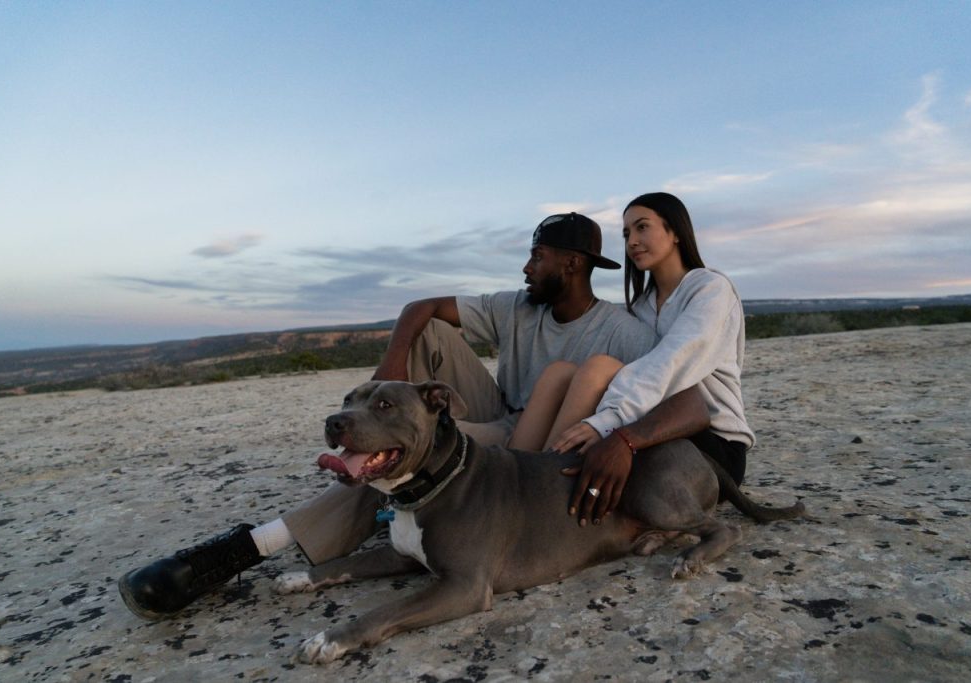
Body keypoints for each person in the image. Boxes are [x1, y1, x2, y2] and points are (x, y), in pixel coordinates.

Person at [118, 211, 711, 620]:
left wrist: (629, 442)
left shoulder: (621, 330)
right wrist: (390, 380)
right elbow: (419, 304)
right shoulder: (516, 307)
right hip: (497, 421)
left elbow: (689, 399)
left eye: (537, 256)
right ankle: (367, 490)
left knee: (403, 468)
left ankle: (252, 547)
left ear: (574, 263)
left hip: (532, 465)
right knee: (425, 341)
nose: (526, 268)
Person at [512, 192, 754, 528]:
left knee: (598, 367)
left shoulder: (710, 289)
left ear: (676, 232)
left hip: (709, 439)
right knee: (561, 373)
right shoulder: (641, 307)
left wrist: (607, 422)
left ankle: (541, 499)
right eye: (626, 234)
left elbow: (671, 363)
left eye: (642, 228)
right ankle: (512, 479)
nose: (633, 242)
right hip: (656, 422)